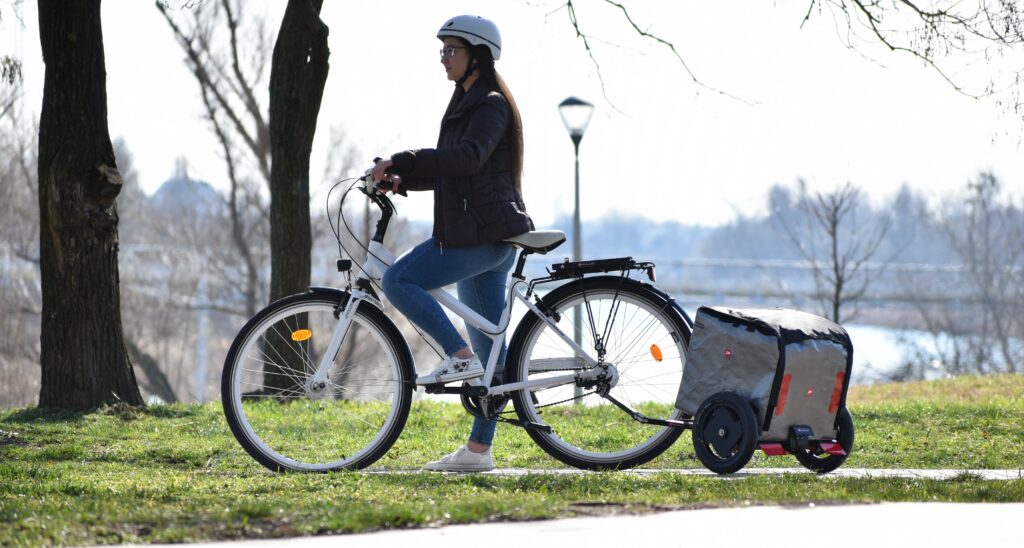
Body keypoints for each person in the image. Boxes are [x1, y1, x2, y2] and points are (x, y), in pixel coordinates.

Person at [371, 15, 533, 472]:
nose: (443, 58)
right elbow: (457, 172)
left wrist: (402, 157)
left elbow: (466, 159)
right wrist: (403, 179)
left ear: (476, 55)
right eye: (441, 50)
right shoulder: (467, 101)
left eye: (450, 50)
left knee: (399, 279)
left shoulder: (490, 104)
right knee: (490, 358)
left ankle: (456, 357)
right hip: (484, 233)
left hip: (483, 236)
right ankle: (479, 453)